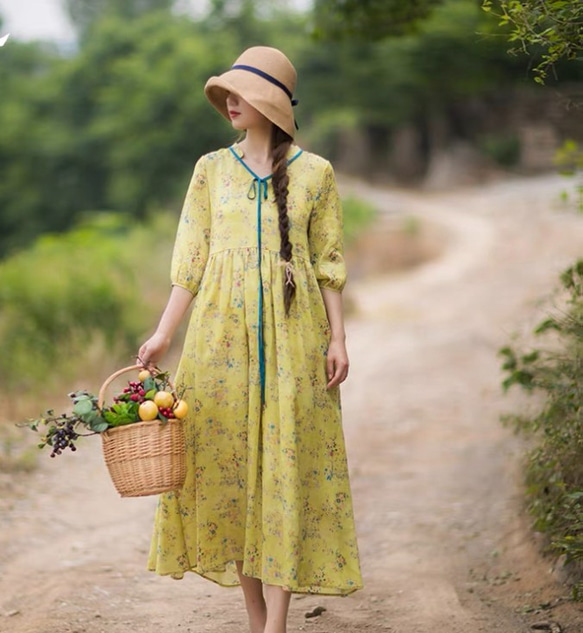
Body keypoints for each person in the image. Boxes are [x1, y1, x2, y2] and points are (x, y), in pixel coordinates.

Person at [138, 46, 362, 633]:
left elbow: (328, 262)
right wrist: (164, 333)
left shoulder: (316, 174)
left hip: (297, 338)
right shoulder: (210, 169)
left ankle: (278, 624)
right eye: (228, 94)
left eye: (241, 94)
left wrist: (338, 339)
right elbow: (191, 260)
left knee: (289, 469)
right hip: (219, 340)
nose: (230, 103)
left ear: (271, 104)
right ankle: (256, 615)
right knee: (227, 465)